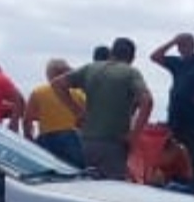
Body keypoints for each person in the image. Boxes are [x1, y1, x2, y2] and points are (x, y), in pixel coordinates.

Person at [53, 37, 152, 180]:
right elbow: (147, 101)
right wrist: (134, 135)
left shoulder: (90, 68)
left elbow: (57, 84)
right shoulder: (131, 73)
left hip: (86, 142)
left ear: (111, 52)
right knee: (112, 191)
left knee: (86, 187)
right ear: (132, 57)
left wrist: (77, 112)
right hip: (114, 143)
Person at [150, 32, 194, 196]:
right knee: (171, 149)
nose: (182, 49)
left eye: (185, 45)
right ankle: (175, 181)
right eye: (180, 46)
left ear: (193, 45)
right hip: (175, 115)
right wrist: (172, 41)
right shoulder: (176, 63)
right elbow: (155, 56)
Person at [23, 58, 86, 167]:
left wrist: (30, 140)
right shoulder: (79, 93)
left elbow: (27, 121)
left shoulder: (38, 92)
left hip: (47, 139)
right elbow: (86, 118)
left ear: (49, 74)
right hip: (73, 139)